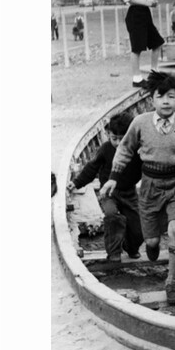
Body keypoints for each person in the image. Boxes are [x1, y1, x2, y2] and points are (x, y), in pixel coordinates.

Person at [99, 72, 175, 305]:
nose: (166, 101)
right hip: (149, 186)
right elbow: (125, 150)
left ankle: (172, 282)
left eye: (171, 96)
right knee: (153, 243)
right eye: (161, 96)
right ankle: (152, 245)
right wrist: (113, 178)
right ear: (152, 100)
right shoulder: (140, 123)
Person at [67, 112, 143, 269]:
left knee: (137, 229)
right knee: (111, 215)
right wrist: (76, 183)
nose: (117, 143)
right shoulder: (105, 149)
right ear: (108, 134)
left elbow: (150, 165)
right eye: (114, 138)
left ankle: (131, 247)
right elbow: (91, 168)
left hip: (130, 193)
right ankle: (114, 252)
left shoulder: (138, 150)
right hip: (109, 194)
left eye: (122, 138)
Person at [122, 0, 164, 88]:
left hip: (145, 13)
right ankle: (137, 78)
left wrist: (151, 2)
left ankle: (154, 73)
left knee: (157, 42)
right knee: (137, 47)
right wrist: (146, 3)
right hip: (135, 14)